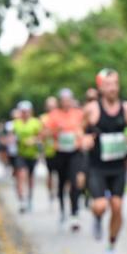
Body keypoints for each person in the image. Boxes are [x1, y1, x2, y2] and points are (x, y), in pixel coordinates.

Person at [81, 70, 127, 254]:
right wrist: (84, 139)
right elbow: (78, 130)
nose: (112, 88)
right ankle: (97, 217)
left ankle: (111, 246)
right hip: (97, 166)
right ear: (100, 87)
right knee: (100, 205)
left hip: (118, 166)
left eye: (115, 83)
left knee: (117, 207)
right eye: (108, 84)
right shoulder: (92, 109)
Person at [44, 89, 87, 231]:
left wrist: (80, 134)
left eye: (69, 100)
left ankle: (74, 213)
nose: (67, 102)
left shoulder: (79, 113)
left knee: (75, 182)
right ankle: (63, 210)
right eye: (64, 100)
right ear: (60, 101)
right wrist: (56, 130)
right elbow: (45, 133)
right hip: (60, 153)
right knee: (62, 182)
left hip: (75, 152)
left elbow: (85, 128)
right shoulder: (54, 115)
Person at [11, 101, 43, 213]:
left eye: (27, 111)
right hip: (20, 154)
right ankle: (22, 200)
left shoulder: (36, 123)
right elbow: (11, 137)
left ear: (30, 111)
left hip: (32, 154)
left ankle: (30, 197)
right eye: (23, 111)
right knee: (21, 175)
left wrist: (33, 140)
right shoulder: (16, 123)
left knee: (30, 178)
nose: (25, 113)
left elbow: (41, 137)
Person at [40, 96, 59, 206]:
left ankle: (61, 191)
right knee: (50, 173)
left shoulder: (61, 116)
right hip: (48, 150)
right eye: (50, 106)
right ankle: (50, 192)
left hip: (61, 149)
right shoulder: (43, 118)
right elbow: (41, 135)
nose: (52, 108)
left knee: (62, 172)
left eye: (53, 106)